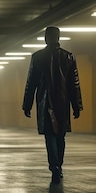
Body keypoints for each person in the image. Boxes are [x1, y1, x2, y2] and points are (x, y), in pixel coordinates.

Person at [22, 26, 83, 183]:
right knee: (61, 136)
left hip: (45, 101)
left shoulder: (37, 57)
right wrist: (76, 105)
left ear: (45, 38)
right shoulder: (69, 57)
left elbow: (31, 83)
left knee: (50, 136)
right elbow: (74, 83)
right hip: (63, 102)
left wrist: (27, 104)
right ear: (58, 38)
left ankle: (54, 166)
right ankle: (59, 166)